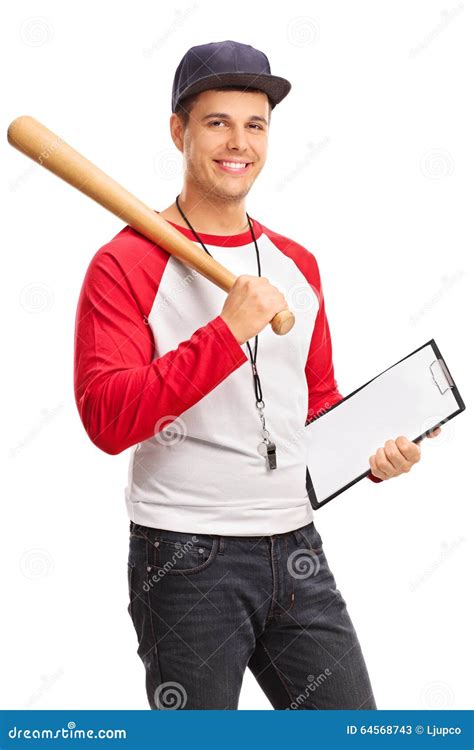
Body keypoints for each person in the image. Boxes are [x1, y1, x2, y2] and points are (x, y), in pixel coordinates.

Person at [73, 40, 441, 710]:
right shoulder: (124, 263)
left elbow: (317, 405)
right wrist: (225, 332)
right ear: (179, 131)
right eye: (217, 122)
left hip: (296, 547)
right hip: (185, 555)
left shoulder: (296, 264)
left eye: (255, 124)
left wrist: (375, 451)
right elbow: (106, 419)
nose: (238, 142)